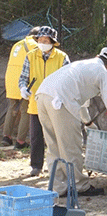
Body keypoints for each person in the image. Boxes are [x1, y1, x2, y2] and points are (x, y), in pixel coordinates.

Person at [36, 47, 107, 197]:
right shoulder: (103, 73)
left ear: (99, 56)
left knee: (54, 146)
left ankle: (57, 187)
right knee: (71, 147)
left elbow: (81, 100)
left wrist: (88, 122)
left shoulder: (84, 65)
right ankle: (80, 186)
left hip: (42, 95)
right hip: (60, 101)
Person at [18, 26, 70, 177]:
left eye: (45, 40)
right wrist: (23, 88)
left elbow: (68, 79)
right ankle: (36, 166)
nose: (42, 42)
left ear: (53, 42)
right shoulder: (30, 55)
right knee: (35, 137)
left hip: (56, 103)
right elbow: (23, 78)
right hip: (36, 103)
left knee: (56, 137)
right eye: (40, 40)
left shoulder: (62, 57)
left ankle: (59, 166)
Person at [2, 26, 39, 149]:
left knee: (11, 109)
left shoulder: (17, 44)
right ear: (36, 37)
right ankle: (21, 141)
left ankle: (6, 137)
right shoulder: (34, 44)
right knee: (25, 111)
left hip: (11, 79)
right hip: (23, 80)